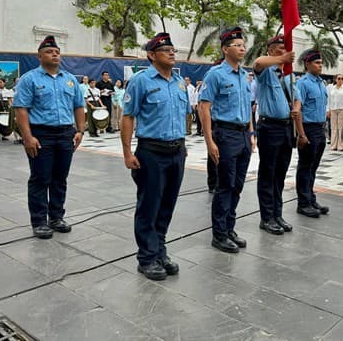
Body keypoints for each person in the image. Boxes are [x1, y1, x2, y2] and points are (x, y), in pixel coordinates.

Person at [120, 32, 187, 281]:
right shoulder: (141, 81)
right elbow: (128, 117)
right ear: (151, 55)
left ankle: (160, 250)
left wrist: (183, 145)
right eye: (166, 49)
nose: (172, 53)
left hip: (176, 151)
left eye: (173, 49)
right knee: (149, 206)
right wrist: (127, 152)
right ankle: (147, 258)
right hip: (151, 152)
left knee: (167, 205)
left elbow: (179, 116)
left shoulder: (179, 82)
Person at [12, 35, 85, 239]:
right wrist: (27, 137)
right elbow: (21, 110)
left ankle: (56, 217)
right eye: (49, 52)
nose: (55, 54)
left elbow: (79, 106)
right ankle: (39, 221)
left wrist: (80, 130)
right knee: (40, 178)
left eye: (57, 52)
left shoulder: (70, 80)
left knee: (60, 178)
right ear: (39, 56)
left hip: (65, 134)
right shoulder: (30, 79)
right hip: (41, 134)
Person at [199, 27, 254, 253]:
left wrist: (251, 133)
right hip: (225, 134)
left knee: (238, 185)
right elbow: (204, 107)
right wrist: (209, 140)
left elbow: (249, 106)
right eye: (237, 45)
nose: (242, 48)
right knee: (225, 185)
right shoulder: (215, 74)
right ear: (225, 49)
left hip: (243, 135)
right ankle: (219, 234)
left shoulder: (243, 75)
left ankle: (230, 227)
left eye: (243, 45)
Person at [253, 35, 301, 234]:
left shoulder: (288, 75)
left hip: (285, 128)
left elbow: (296, 98)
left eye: (286, 48)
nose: (284, 51)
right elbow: (257, 63)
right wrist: (282, 59)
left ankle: (277, 213)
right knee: (268, 173)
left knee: (280, 174)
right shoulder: (266, 71)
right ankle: (266, 217)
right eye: (280, 48)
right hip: (269, 128)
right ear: (271, 50)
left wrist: (296, 108)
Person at [295, 50, 330, 218]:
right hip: (308, 128)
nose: (320, 65)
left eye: (321, 63)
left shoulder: (321, 83)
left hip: (320, 128)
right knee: (305, 167)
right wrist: (301, 134)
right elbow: (298, 110)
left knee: (313, 167)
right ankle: (303, 203)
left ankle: (310, 198)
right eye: (317, 63)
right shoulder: (302, 83)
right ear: (307, 65)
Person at [327, 74, 343, 151]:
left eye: (342, 78)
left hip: (342, 109)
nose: (340, 80)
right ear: (336, 79)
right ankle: (333, 145)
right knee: (333, 128)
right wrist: (328, 110)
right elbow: (329, 100)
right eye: (339, 78)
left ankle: (341, 145)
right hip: (333, 109)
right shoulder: (331, 88)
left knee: (341, 128)